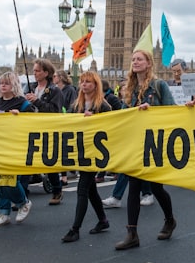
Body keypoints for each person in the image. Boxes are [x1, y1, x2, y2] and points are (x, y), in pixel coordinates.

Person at [114, 49, 178, 250]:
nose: (135, 62)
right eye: (133, 59)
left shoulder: (159, 86)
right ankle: (132, 233)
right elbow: (124, 114)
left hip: (155, 144)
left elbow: (172, 111)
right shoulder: (129, 89)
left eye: (139, 59)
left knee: (156, 187)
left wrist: (151, 112)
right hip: (136, 143)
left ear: (149, 63)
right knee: (134, 185)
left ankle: (169, 219)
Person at [61, 71, 112, 242]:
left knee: (82, 189)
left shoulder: (103, 106)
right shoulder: (76, 105)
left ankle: (75, 229)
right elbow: (64, 121)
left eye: (88, 82)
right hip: (80, 150)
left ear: (95, 85)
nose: (84, 84)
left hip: (94, 153)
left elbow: (112, 126)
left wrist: (95, 120)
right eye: (82, 81)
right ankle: (103, 220)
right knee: (91, 190)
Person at [0, 71, 36, 227]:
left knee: (10, 181)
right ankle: (4, 211)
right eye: (1, 83)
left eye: (6, 83)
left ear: (14, 85)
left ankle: (23, 202)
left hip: (13, 147)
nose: (3, 86)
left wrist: (20, 116)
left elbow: (34, 121)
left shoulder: (22, 103)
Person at [24, 58, 66, 204]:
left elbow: (54, 111)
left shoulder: (54, 91)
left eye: (37, 70)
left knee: (49, 162)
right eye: (34, 70)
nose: (34, 73)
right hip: (31, 129)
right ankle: (23, 194)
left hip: (48, 130)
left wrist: (37, 101)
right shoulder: (29, 88)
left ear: (46, 73)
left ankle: (57, 190)